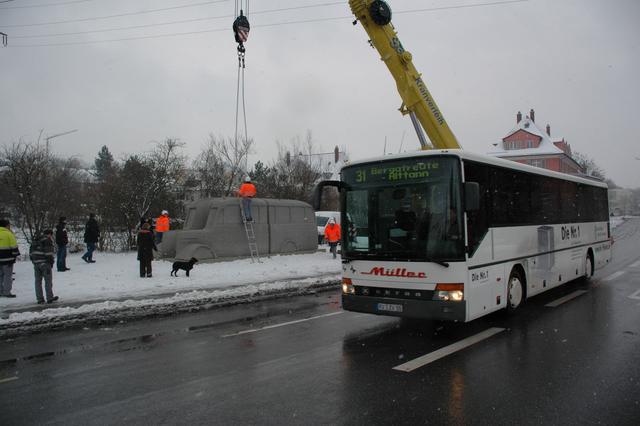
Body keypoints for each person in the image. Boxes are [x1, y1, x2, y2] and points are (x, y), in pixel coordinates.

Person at [30, 229, 58, 304]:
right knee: (48, 281)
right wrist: (51, 262)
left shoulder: (35, 240)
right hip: (45, 263)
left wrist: (34, 261)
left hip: (36, 263)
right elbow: (49, 253)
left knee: (38, 281)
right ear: (49, 234)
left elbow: (31, 253)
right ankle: (49, 297)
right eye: (51, 235)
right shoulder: (47, 240)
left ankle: (39, 299)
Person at [0, 219, 20, 298]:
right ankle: (7, 292)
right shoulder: (9, 234)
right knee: (7, 276)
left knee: (0, 275)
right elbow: (14, 246)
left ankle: (0, 291)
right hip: (7, 259)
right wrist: (15, 255)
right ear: (6, 225)